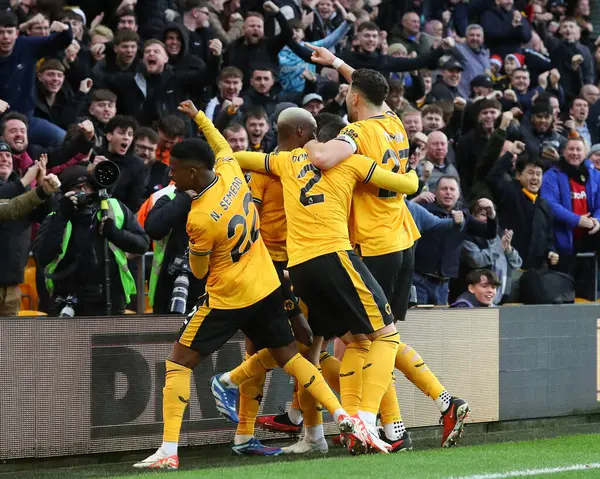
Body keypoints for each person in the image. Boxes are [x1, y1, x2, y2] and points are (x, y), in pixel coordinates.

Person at [133, 102, 375, 470]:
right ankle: (342, 415)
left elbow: (198, 273)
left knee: (178, 364)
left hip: (230, 296)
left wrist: (197, 243)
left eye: (176, 172)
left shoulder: (199, 217)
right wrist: (200, 116)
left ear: (193, 173)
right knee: (293, 357)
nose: (173, 178)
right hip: (268, 284)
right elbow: (220, 146)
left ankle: (168, 450)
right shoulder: (231, 170)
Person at [295, 45, 470, 449]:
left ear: (353, 98)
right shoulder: (392, 120)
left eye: (347, 91)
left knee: (367, 339)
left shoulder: (356, 133)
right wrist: (338, 64)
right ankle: (401, 425)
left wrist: (301, 147)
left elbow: (323, 157)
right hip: (402, 237)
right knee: (367, 339)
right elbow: (371, 90)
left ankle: (370, 422)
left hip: (373, 244)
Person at [230, 105, 421, 454]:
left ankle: (306, 432)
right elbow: (408, 183)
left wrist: (213, 145)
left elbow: (236, 158)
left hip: (289, 269)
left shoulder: (278, 163)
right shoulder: (349, 162)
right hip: (330, 259)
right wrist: (411, 166)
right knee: (378, 337)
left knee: (308, 349)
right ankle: (373, 418)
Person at [33, 165, 149, 316]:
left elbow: (143, 244)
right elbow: (42, 257)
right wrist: (61, 217)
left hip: (110, 300)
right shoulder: (56, 216)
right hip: (68, 301)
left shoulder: (114, 209)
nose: (84, 192)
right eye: (77, 188)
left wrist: (115, 233)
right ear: (65, 193)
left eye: (87, 187)